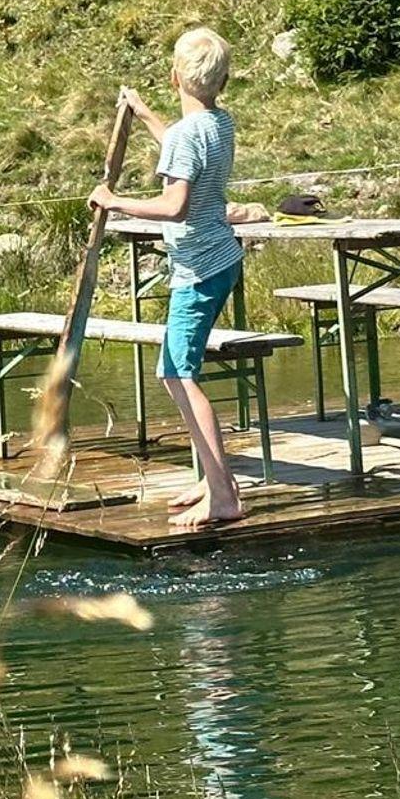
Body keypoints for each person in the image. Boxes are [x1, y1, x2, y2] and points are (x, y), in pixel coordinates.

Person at [90, 27, 247, 529]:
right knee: (178, 369)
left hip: (198, 271)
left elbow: (175, 205)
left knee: (177, 373)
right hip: (221, 258)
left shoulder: (186, 135)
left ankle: (223, 495)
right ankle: (212, 479)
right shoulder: (219, 123)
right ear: (222, 82)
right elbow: (183, 151)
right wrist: (144, 114)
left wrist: (114, 202)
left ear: (174, 76)